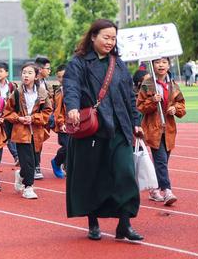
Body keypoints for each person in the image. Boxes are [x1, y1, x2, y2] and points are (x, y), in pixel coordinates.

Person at [63, 18, 144, 241]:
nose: (110, 42)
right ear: (93, 37)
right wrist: (72, 108)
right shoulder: (79, 63)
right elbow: (71, 87)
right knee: (93, 176)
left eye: (113, 38)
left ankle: (124, 224)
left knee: (125, 173)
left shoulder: (118, 64)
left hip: (120, 128)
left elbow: (130, 95)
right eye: (106, 37)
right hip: (93, 129)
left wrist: (136, 121)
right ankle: (93, 223)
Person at [137, 57, 186, 206]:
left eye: (164, 62)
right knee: (161, 161)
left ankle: (154, 189)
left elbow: (182, 106)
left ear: (169, 65)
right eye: (157, 62)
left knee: (163, 162)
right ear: (152, 65)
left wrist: (174, 109)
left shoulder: (173, 85)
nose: (161, 65)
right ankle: (167, 191)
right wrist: (152, 101)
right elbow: (140, 106)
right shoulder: (147, 85)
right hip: (154, 129)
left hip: (169, 129)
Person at [4, 62, 52, 200]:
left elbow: (48, 111)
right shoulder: (17, 93)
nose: (26, 75)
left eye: (30, 73)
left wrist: (33, 118)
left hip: (37, 132)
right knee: (28, 160)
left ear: (36, 76)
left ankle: (21, 175)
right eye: (24, 72)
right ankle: (28, 187)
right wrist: (19, 118)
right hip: (21, 132)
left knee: (34, 160)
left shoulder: (42, 93)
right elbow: (8, 112)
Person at [0, 61, 19, 165]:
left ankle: (16, 156)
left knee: (10, 137)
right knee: (2, 139)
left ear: (7, 73)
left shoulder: (12, 86)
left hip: (9, 116)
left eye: (1, 71)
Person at [51, 64, 68, 179]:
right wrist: (61, 123)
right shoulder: (59, 92)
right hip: (64, 126)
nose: (63, 79)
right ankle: (56, 162)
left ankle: (69, 168)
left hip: (77, 124)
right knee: (67, 147)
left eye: (65, 76)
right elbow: (58, 110)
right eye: (60, 77)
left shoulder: (77, 89)